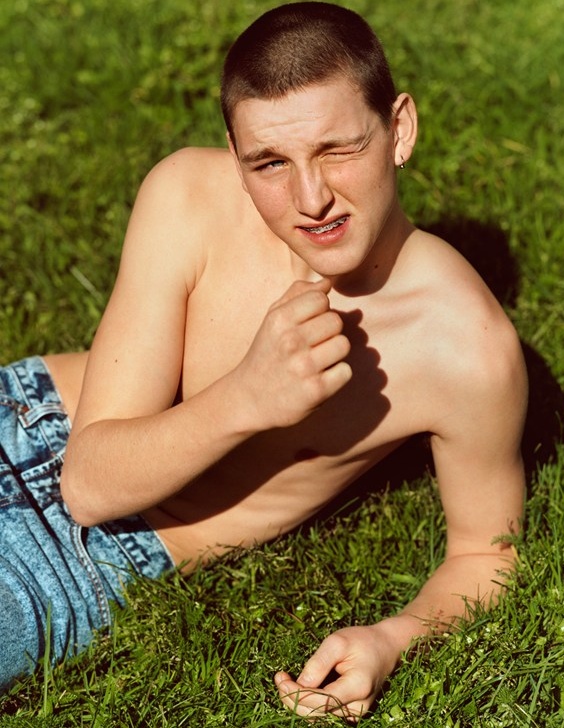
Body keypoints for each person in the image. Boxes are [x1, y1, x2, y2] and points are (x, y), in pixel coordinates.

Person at [0, 1, 527, 720]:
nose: (311, 199)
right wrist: (247, 395)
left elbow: (487, 554)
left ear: (399, 129)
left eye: (338, 149)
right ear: (235, 151)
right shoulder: (189, 193)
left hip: (92, 554)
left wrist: (393, 637)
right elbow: (90, 470)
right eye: (270, 163)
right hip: (23, 408)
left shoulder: (466, 349)